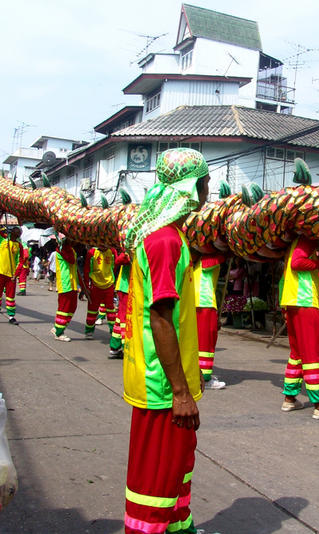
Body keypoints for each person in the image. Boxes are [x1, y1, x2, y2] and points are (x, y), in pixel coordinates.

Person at [121, 148, 209, 534]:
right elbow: (160, 318)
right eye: (205, 183)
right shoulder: (165, 242)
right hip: (162, 384)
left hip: (169, 379)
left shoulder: (170, 236)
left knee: (177, 465)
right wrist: (180, 392)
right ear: (191, 187)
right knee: (155, 477)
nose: (208, 191)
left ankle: (179, 527)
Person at [279, 236, 319, 419]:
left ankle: (290, 399)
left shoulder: (293, 241)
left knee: (297, 353)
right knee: (312, 355)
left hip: (291, 301)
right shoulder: (307, 240)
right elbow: (297, 263)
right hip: (304, 301)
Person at [194, 253, 227, 390]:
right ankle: (205, 378)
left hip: (202, 300)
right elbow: (209, 263)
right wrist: (225, 254)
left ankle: (200, 374)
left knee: (203, 340)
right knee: (206, 342)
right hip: (204, 300)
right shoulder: (206, 257)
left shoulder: (199, 257)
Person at [0, 216, 21, 325]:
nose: (15, 234)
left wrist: (16, 274)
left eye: (18, 233)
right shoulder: (2, 240)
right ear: (11, 233)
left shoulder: (18, 246)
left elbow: (19, 261)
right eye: (14, 232)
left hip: (11, 275)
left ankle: (11, 317)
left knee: (10, 297)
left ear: (19, 235)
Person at [83, 247, 117, 344]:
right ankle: (89, 331)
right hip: (95, 285)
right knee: (92, 310)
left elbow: (115, 267)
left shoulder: (112, 251)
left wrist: (114, 283)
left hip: (109, 285)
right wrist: (86, 287)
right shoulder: (92, 252)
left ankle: (113, 332)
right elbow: (86, 270)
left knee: (111, 310)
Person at [52, 239, 79, 342]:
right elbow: (71, 260)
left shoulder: (71, 249)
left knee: (72, 307)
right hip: (65, 282)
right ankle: (59, 333)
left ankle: (58, 327)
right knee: (64, 308)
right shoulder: (62, 249)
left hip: (72, 282)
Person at [109, 250, 130, 358]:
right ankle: (126, 347)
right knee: (125, 319)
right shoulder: (129, 250)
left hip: (128, 288)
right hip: (126, 288)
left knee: (120, 318)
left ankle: (114, 347)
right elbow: (119, 260)